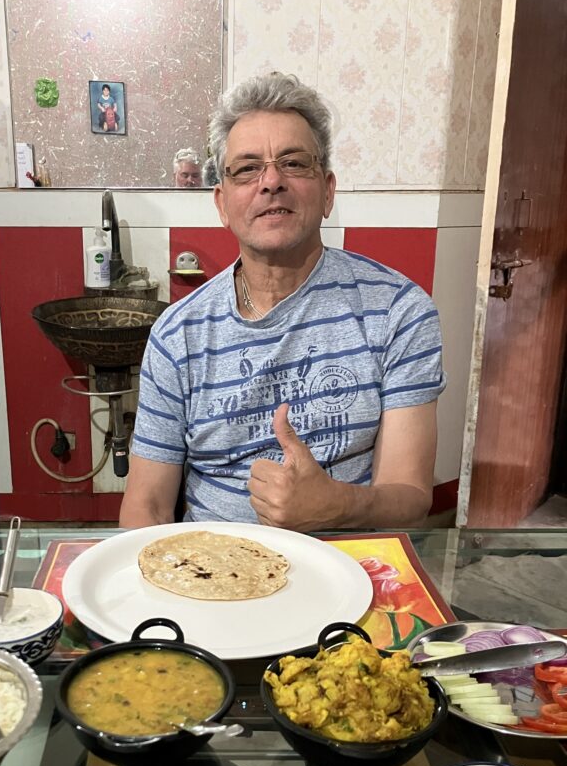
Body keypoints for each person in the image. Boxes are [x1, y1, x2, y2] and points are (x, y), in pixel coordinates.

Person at [120, 72, 446, 532]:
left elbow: (410, 495)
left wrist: (336, 505)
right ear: (221, 203)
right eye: (247, 168)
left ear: (328, 190)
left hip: (350, 569)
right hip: (211, 575)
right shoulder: (178, 335)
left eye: (293, 163)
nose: (271, 181)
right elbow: (148, 506)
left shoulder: (399, 312)